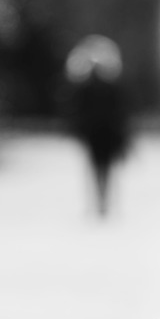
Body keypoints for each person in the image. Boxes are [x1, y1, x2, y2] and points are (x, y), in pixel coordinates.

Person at [64, 35, 131, 217]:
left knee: (100, 168)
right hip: (99, 133)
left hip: (101, 133)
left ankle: (101, 202)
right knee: (101, 168)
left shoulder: (95, 86)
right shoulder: (99, 87)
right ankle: (101, 202)